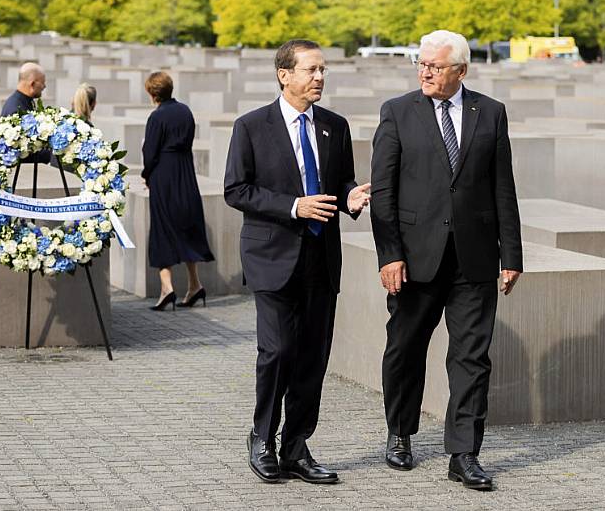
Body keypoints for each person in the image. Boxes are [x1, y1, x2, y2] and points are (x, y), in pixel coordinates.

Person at [370, 30, 523, 491]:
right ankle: (400, 433)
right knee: (405, 350)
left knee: (472, 358)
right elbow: (383, 193)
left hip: (474, 260)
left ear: (461, 70)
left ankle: (464, 454)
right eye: (421, 64)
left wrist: (511, 254)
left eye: (434, 66)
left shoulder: (490, 113)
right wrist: (390, 254)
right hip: (414, 261)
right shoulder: (397, 112)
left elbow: (503, 187)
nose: (425, 72)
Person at [224, 39, 371, 485]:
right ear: (284, 75)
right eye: (311, 69)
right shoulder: (251, 126)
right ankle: (261, 439)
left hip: (320, 260)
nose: (319, 77)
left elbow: (339, 180)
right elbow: (237, 190)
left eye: (323, 70)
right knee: (278, 351)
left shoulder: (335, 126)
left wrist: (350, 196)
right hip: (271, 258)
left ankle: (296, 447)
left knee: (312, 358)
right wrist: (293, 206)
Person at [141, 71, 214, 311]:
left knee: (163, 227)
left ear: (152, 93)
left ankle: (167, 288)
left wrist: (147, 174)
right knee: (187, 225)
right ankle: (194, 285)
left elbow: (150, 151)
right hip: (185, 172)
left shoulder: (157, 117)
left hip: (164, 174)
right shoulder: (185, 111)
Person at [1, 62, 49, 163]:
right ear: (32, 84)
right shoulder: (15, 110)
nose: (44, 86)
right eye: (42, 82)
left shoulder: (22, 102)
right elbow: (22, 153)